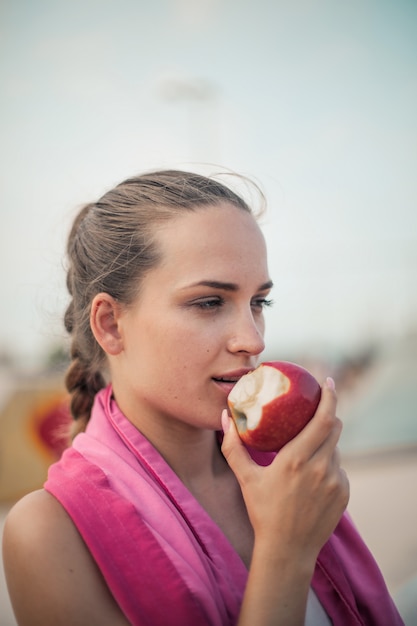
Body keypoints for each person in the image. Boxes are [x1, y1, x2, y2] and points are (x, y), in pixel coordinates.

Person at [2, 169, 403, 626]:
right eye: (210, 302)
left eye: (259, 302)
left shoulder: (284, 471)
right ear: (111, 324)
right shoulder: (51, 533)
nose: (253, 340)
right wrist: (286, 553)